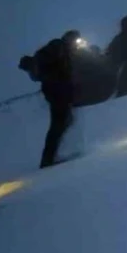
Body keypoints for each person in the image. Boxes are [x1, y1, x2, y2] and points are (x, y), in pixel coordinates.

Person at [33, 30, 81, 169]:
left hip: (58, 91)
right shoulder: (57, 46)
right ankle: (48, 159)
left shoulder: (64, 52)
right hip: (56, 91)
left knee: (64, 122)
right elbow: (55, 70)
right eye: (75, 40)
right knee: (58, 125)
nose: (76, 44)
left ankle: (53, 155)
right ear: (69, 39)